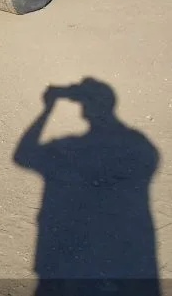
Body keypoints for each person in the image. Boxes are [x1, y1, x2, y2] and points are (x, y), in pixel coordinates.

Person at [14, 79, 159, 296]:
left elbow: (23, 155)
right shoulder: (141, 146)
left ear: (86, 110)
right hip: (123, 257)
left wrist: (47, 109)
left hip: (66, 260)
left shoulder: (69, 148)